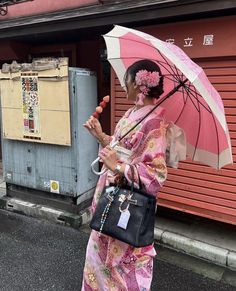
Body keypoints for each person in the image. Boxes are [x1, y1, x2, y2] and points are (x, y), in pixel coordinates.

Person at [82, 59, 169, 291]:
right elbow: (121, 149)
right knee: (98, 257)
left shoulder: (155, 123)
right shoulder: (133, 113)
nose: (123, 86)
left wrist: (119, 168)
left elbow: (156, 175)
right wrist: (101, 136)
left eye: (127, 80)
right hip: (111, 196)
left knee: (122, 266)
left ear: (140, 85)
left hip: (128, 204)